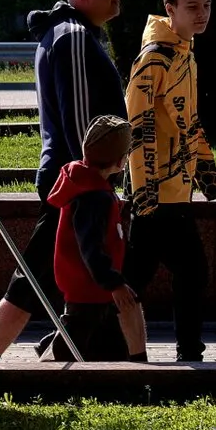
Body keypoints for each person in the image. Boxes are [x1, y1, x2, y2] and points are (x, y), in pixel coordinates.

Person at [0, 0, 134, 362]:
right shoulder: (75, 36)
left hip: (73, 182)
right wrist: (95, 178)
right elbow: (86, 125)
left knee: (52, 279)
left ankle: (12, 358)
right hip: (78, 184)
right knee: (33, 280)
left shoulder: (70, 33)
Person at [124, 0, 216, 362]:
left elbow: (188, 121)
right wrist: (144, 187)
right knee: (183, 271)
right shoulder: (155, 59)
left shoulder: (185, 52)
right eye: (192, 7)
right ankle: (188, 352)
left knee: (139, 276)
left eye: (207, 6)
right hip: (156, 190)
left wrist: (207, 173)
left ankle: (86, 336)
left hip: (177, 188)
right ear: (170, 9)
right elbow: (138, 125)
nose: (202, 14)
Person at [46, 115, 148, 362]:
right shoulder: (94, 197)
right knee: (69, 346)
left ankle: (133, 374)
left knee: (107, 342)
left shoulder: (92, 187)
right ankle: (45, 368)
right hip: (89, 288)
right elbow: (91, 247)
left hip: (92, 289)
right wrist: (113, 282)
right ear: (119, 160)